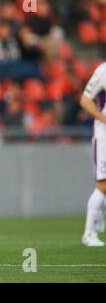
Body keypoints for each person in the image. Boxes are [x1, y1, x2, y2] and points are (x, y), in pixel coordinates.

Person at [80, 62, 106, 247]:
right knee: (103, 184)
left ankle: (99, 216)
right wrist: (104, 120)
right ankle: (89, 234)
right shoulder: (103, 70)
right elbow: (85, 100)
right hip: (104, 134)